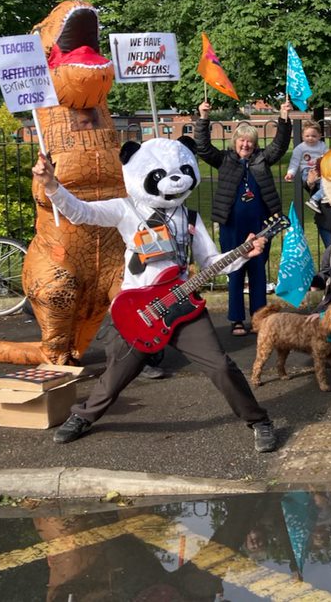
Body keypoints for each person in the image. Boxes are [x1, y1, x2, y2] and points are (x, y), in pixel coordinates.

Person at [33, 146, 277, 452]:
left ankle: (259, 421)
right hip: (138, 310)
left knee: (220, 366)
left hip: (183, 307)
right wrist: (52, 185)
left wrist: (243, 253)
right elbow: (82, 211)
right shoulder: (126, 209)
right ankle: (83, 417)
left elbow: (211, 260)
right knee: (116, 374)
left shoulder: (189, 216)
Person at [195, 101, 292, 337]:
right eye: (242, 140)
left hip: (260, 226)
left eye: (250, 141)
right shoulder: (225, 159)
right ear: (235, 142)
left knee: (258, 272)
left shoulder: (261, 159)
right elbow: (204, 147)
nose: (246, 144)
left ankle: (260, 321)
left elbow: (279, 146)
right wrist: (203, 117)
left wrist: (283, 117)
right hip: (232, 226)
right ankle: (236, 319)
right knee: (234, 271)